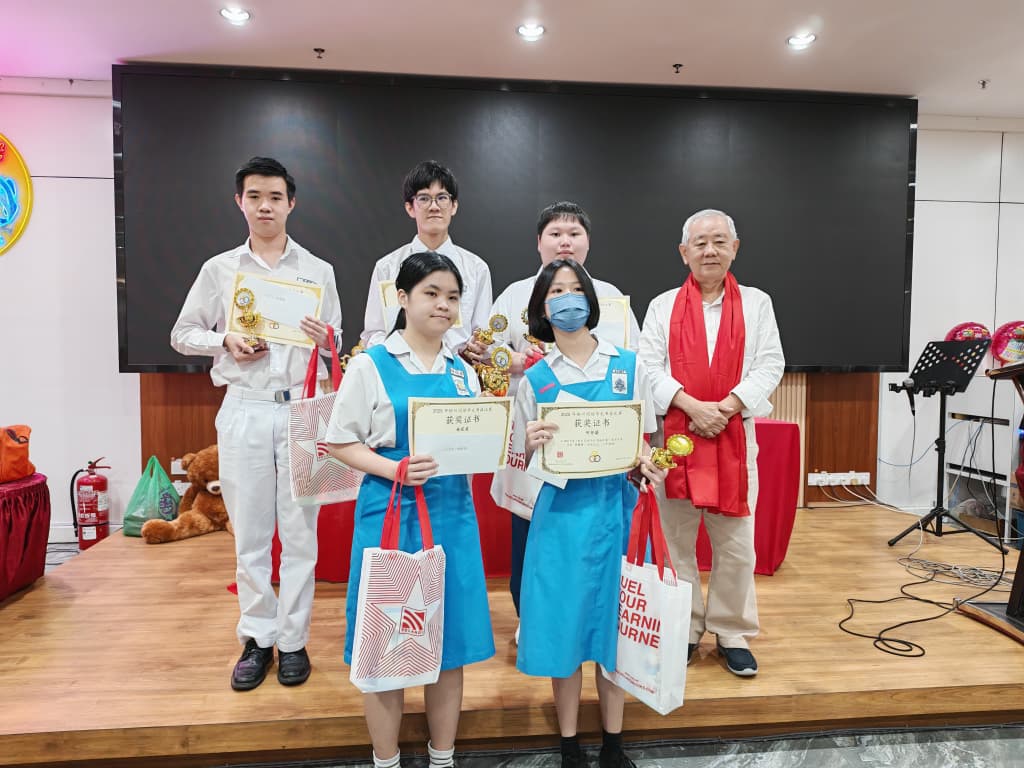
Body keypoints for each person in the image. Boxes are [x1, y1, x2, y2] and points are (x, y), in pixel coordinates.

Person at [170, 156, 343, 691]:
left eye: (274, 197)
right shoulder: (220, 269)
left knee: (300, 536)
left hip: (301, 410)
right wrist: (224, 339)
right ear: (239, 202)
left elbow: (336, 345)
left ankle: (293, 641)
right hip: (244, 407)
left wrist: (326, 339)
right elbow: (183, 333)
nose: (265, 206)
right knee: (249, 534)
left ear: (291, 203)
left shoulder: (317, 270)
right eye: (254, 196)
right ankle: (257, 639)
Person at [326, 252, 494, 768]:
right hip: (390, 513)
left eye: (452, 297)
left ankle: (443, 757)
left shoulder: (464, 373)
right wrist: (393, 467)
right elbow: (339, 442)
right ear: (402, 298)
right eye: (431, 293)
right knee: (386, 643)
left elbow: (476, 443)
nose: (443, 305)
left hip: (453, 516)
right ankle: (386, 760)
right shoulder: (371, 364)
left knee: (450, 644)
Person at [511, 258, 664, 768]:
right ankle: (570, 744)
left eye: (575, 289)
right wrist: (532, 443)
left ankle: (614, 744)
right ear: (542, 307)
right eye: (556, 291)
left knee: (615, 630)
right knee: (564, 629)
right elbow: (524, 456)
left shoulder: (627, 366)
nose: (567, 299)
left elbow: (644, 441)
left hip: (617, 512)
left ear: (591, 300)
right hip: (560, 519)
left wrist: (645, 462)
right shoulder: (535, 379)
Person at [638, 208, 784, 677]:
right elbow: (647, 366)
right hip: (673, 439)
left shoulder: (757, 303)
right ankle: (683, 628)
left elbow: (770, 363)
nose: (710, 250)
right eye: (700, 243)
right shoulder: (662, 306)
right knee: (675, 542)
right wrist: (691, 406)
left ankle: (731, 631)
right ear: (684, 252)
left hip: (734, 435)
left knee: (737, 545)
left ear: (734, 248)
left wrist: (725, 408)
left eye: (719, 241)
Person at [488, 202, 641, 637]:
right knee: (532, 529)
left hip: (602, 446)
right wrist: (518, 361)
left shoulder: (612, 298)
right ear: (539, 242)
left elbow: (635, 360)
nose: (565, 241)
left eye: (574, 233)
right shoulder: (514, 295)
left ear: (587, 241)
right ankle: (531, 618)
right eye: (555, 233)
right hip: (538, 435)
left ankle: (597, 620)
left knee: (597, 536)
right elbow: (488, 353)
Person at [360, 160, 493, 365]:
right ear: (410, 208)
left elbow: (481, 332)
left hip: (456, 371)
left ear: (454, 206)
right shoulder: (387, 267)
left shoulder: (476, 269)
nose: (434, 207)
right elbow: (374, 332)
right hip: (400, 370)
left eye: (442, 198)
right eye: (424, 198)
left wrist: (479, 347)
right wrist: (396, 358)